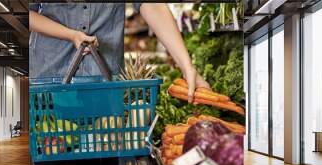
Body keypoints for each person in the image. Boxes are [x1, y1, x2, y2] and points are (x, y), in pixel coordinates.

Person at [29, 3, 210, 103]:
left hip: (103, 82)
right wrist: (70, 35)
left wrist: (187, 66)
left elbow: (152, 5)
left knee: (106, 162)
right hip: (49, 78)